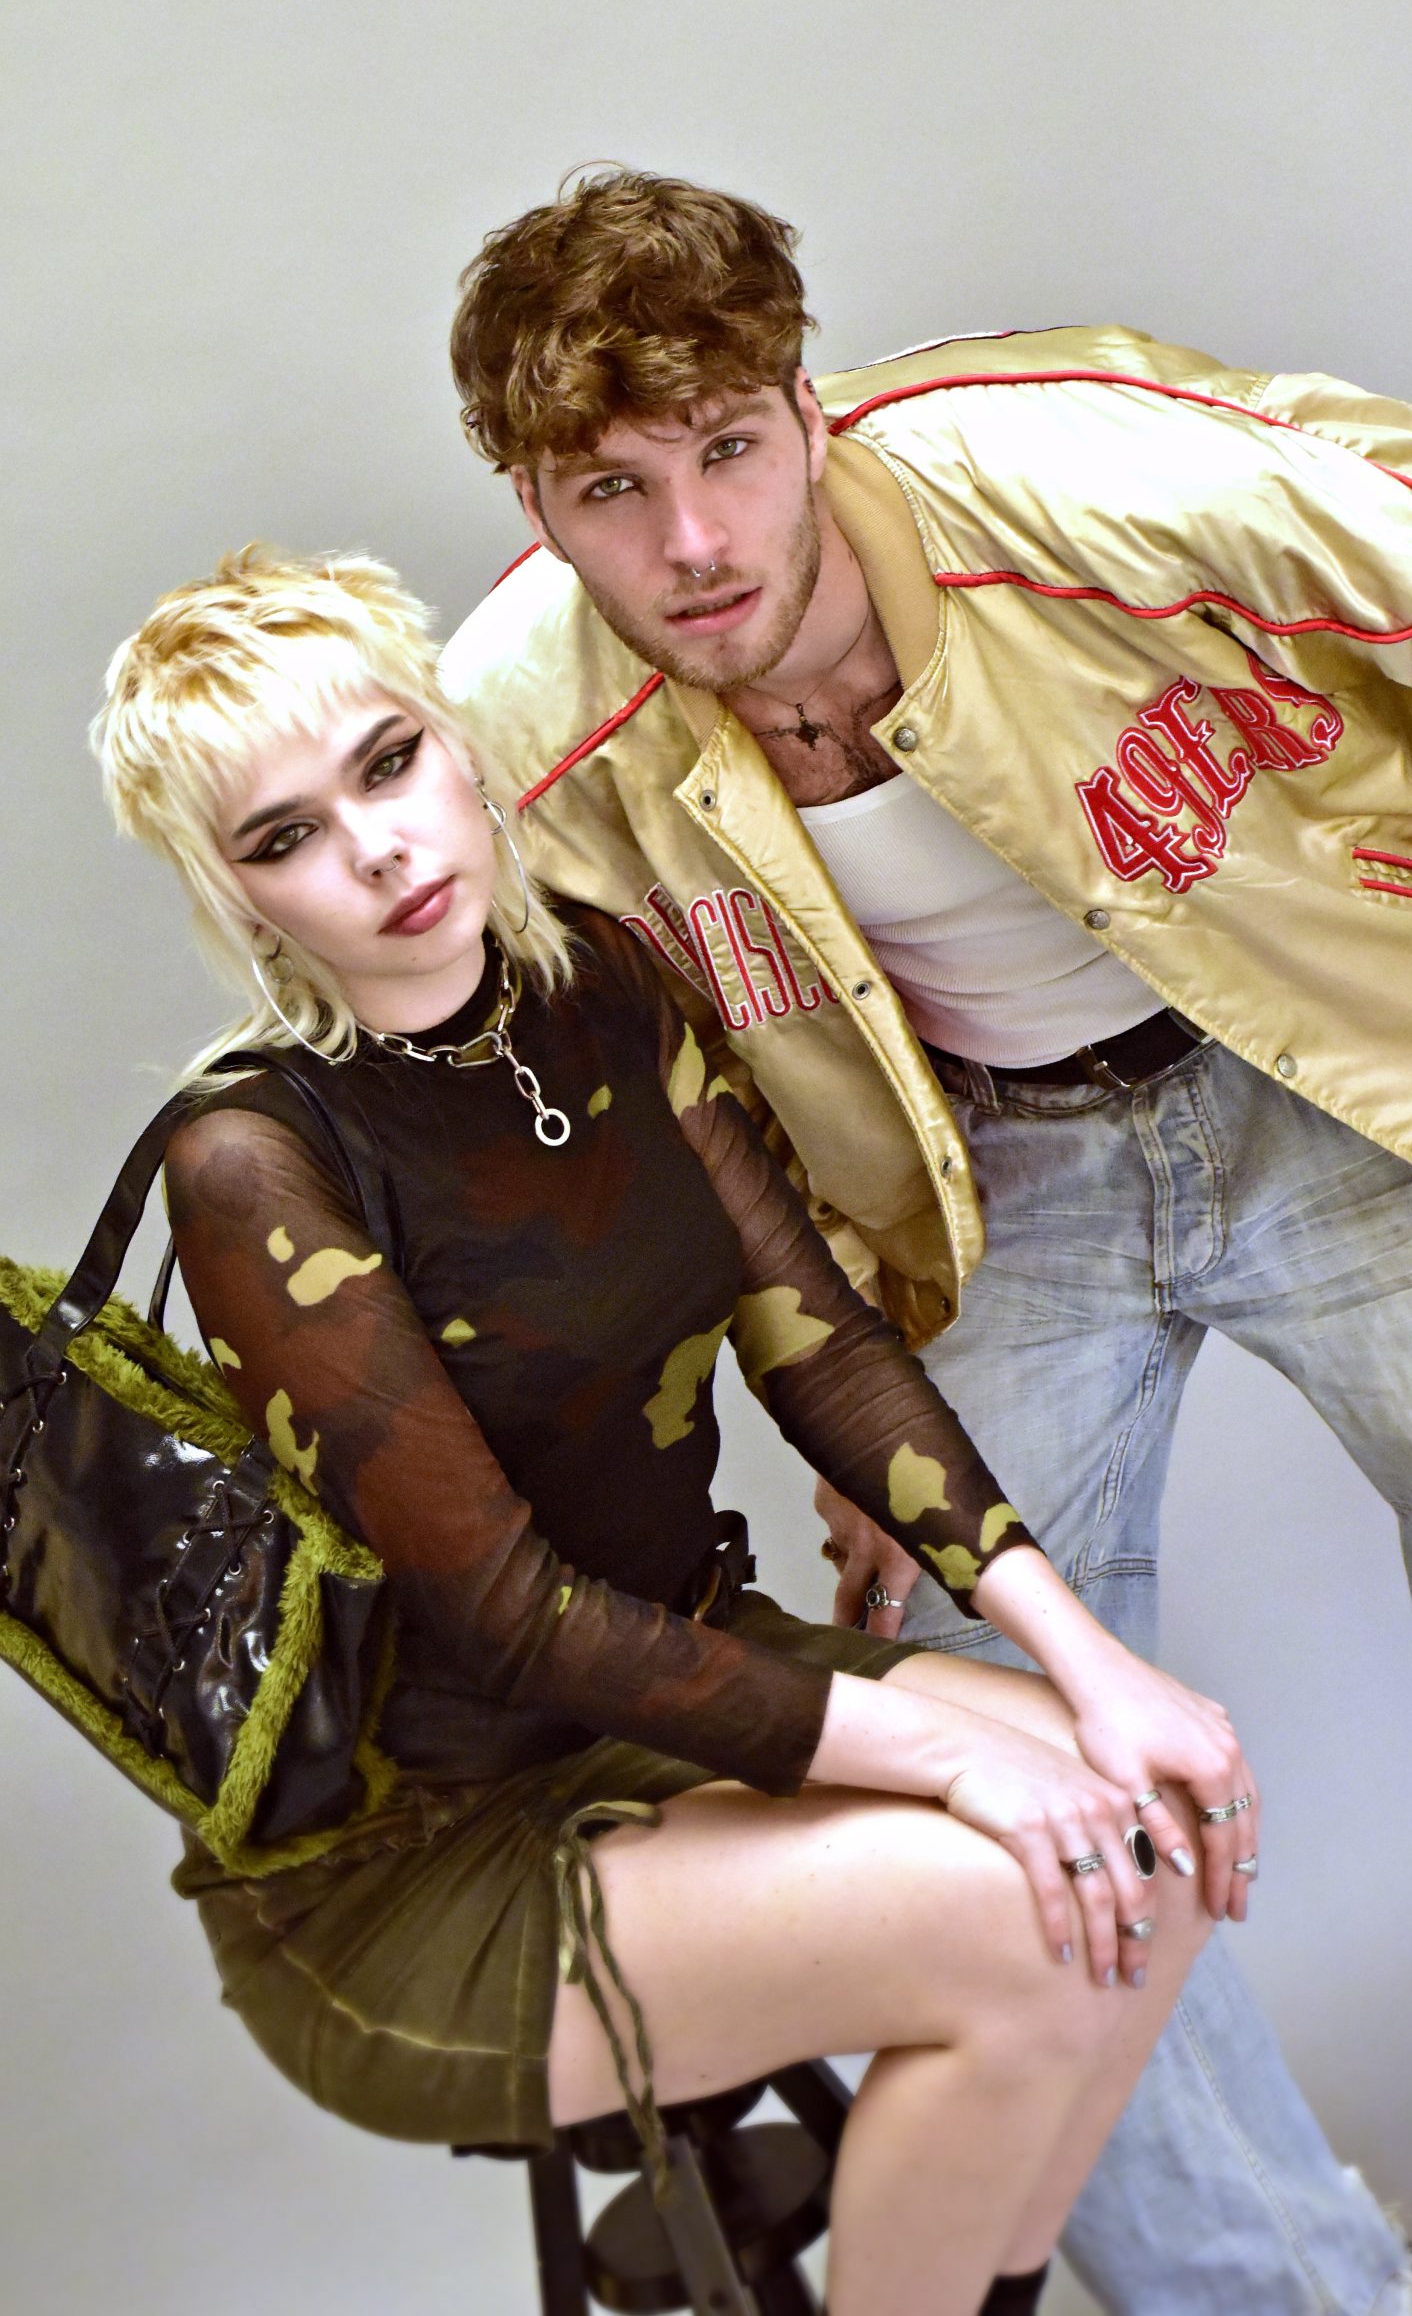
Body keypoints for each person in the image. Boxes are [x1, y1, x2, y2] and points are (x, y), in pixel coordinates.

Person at [440, 168, 1412, 2316]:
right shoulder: (526, 728)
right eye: (611, 491)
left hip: (1319, 1082)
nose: (696, 542)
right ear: (534, 504)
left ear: (809, 409)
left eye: (729, 448)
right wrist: (856, 1406)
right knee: (1012, 1801)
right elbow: (655, 1099)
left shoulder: (1077, 476)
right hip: (984, 1199)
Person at [90, 543, 1263, 2316]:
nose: (380, 848)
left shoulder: (602, 992)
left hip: (682, 1674)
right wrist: (949, 1756)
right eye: (287, 836)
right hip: (428, 1839)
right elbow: (507, 1614)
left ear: (456, 743)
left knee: (1145, 1818)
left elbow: (822, 1348)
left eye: (389, 762)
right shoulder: (257, 1160)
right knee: (1026, 1916)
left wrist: (1084, 1661)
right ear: (239, 897)